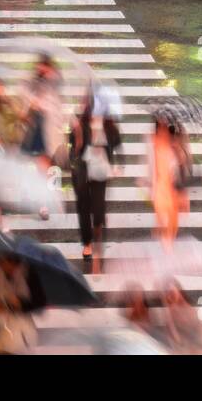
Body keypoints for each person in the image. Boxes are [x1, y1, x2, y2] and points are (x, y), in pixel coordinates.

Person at [69, 83, 122, 271]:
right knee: (83, 208)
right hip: (82, 171)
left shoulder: (109, 124)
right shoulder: (80, 123)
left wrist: (117, 166)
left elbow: (116, 143)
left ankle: (98, 233)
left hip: (100, 171)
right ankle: (87, 243)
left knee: (98, 210)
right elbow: (73, 147)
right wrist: (78, 136)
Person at [148, 113, 190, 245]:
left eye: (165, 124)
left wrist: (177, 149)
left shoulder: (177, 139)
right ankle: (163, 230)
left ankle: (169, 238)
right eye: (160, 124)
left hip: (173, 183)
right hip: (161, 183)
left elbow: (185, 162)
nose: (162, 127)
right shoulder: (155, 140)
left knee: (173, 212)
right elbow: (152, 163)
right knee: (161, 208)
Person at [162, 281, 202, 354]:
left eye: (172, 292)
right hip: (187, 347)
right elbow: (176, 340)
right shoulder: (170, 314)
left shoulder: (188, 309)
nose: (170, 295)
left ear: (179, 291)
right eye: (168, 293)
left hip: (199, 347)